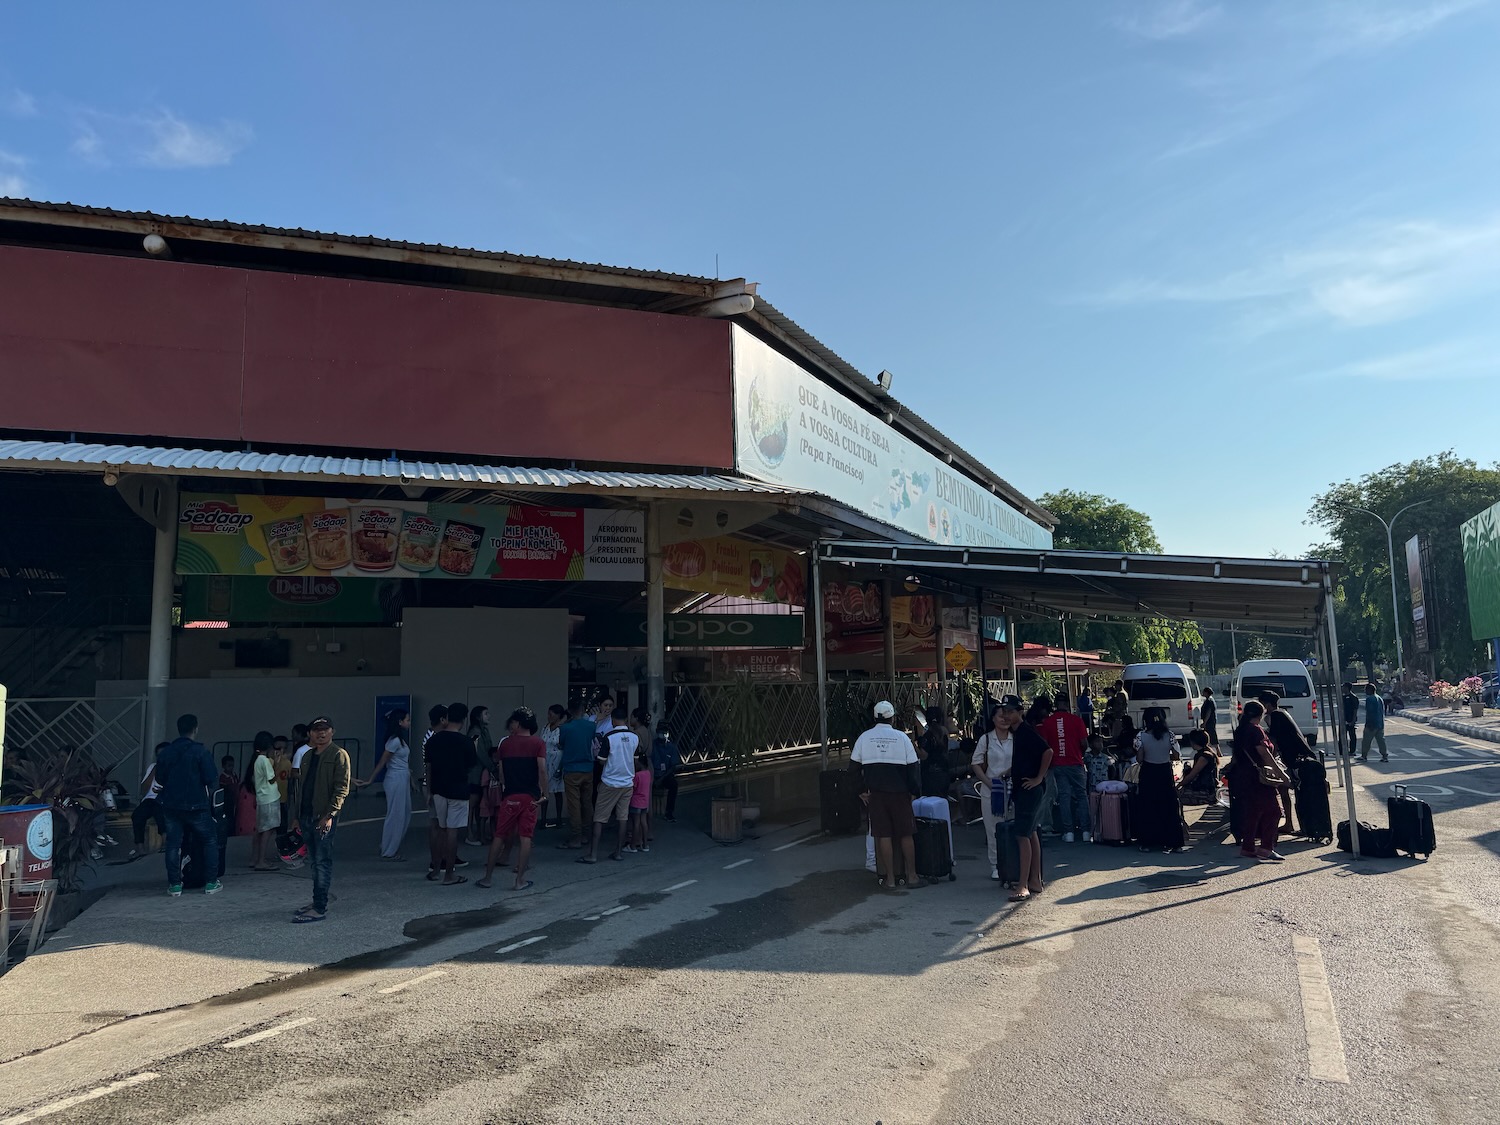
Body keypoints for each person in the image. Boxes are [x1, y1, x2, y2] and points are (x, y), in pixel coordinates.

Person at [850, 700, 921, 889]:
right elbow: (914, 768)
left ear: (874, 717)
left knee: (884, 836)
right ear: (893, 717)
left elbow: (853, 769)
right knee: (906, 834)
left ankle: (889, 879)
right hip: (900, 794)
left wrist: (861, 791)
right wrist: (914, 792)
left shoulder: (864, 738)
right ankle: (912, 876)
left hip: (876, 795)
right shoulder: (902, 738)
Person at [479, 707, 547, 890]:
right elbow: (541, 769)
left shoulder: (505, 744)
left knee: (499, 835)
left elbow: (501, 773)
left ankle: (487, 878)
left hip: (510, 795)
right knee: (525, 837)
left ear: (517, 723)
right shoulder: (538, 743)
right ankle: (519, 881)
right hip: (530, 796)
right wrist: (545, 793)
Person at [154, 714, 222, 897]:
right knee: (209, 841)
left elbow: (159, 778)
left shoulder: (166, 752)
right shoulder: (200, 752)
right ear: (195, 728)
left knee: (173, 844)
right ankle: (211, 882)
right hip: (197, 804)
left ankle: (175, 885)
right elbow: (211, 779)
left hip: (171, 805)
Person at [292, 716, 352, 922]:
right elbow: (301, 789)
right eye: (316, 729)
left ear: (332, 731)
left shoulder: (338, 754)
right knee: (314, 862)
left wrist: (329, 815)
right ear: (310, 733)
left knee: (321, 862)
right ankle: (317, 900)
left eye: (325, 729)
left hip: (322, 818)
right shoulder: (308, 756)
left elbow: (341, 789)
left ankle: (319, 907)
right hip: (306, 816)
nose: (321, 733)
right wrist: (296, 817)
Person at [998, 695, 1053, 902]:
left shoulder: (1026, 731)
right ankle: (1035, 880)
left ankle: (1023, 885)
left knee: (1022, 835)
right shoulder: (1017, 733)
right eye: (1004, 711)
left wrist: (1039, 778)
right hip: (1023, 787)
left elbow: (1047, 752)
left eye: (1010, 711)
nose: (1006, 715)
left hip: (1030, 789)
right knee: (1030, 833)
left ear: (1020, 712)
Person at [1227, 701, 1286, 862]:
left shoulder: (1241, 729)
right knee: (1274, 811)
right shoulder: (1256, 731)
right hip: (1259, 777)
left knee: (1252, 812)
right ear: (1261, 714)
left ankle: (1248, 847)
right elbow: (1265, 755)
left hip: (1242, 776)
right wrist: (1281, 774)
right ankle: (1266, 848)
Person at [425, 701, 474, 884]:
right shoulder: (466, 742)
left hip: (438, 789)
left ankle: (436, 869)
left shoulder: (433, 740)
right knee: (452, 831)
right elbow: (470, 766)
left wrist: (429, 791)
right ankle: (449, 874)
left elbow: (428, 767)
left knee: (440, 828)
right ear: (463, 719)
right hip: (458, 789)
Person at [580, 711, 637, 864]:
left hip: (610, 782)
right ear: (626, 720)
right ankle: (618, 852)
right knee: (623, 818)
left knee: (599, 818)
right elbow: (635, 759)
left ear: (612, 720)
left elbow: (601, 760)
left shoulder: (609, 737)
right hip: (627, 783)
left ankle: (592, 854)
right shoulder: (634, 737)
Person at [357, 709, 413, 859]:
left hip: (402, 777)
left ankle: (390, 845)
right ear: (400, 722)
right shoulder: (394, 741)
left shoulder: (399, 740)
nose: (409, 722)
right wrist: (371, 779)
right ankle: (389, 850)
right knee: (396, 814)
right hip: (396, 779)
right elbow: (383, 761)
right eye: (407, 720)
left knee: (404, 813)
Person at [1132, 707, 1188, 853]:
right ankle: (1174, 842)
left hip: (1148, 772)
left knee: (1147, 806)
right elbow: (1176, 756)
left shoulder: (1141, 736)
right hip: (1165, 772)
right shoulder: (1169, 735)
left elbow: (1140, 759)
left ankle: (1147, 842)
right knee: (1169, 806)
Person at [1041, 693, 1091, 843]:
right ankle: (1086, 831)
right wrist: (1079, 754)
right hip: (1075, 763)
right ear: (1068, 705)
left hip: (1058, 764)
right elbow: (1084, 743)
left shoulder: (1048, 723)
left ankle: (1068, 832)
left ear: (1056, 704)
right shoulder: (1077, 720)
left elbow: (1045, 746)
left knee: (1064, 797)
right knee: (1082, 796)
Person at [971, 706, 1013, 880]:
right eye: (1000, 716)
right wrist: (987, 782)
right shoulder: (986, 739)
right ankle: (995, 864)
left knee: (1013, 826)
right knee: (993, 829)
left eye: (1007, 716)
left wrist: (1011, 771)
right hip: (991, 789)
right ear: (993, 719)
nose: (1004, 719)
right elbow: (975, 763)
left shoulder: (1015, 738)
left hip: (1012, 787)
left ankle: (1013, 861)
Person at [557, 700, 599, 848]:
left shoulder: (565, 728)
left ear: (569, 710)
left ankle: (576, 837)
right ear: (582, 709)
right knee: (587, 803)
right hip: (588, 768)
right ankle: (586, 835)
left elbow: (561, 744)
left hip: (571, 768)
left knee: (574, 805)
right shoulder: (591, 726)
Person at [1265, 709, 1313, 836]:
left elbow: (1274, 742)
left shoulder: (1275, 716)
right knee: (1292, 792)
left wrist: (1272, 761)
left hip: (1292, 761)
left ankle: (1293, 824)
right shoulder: (1284, 715)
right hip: (1296, 759)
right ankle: (1296, 824)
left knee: (1289, 790)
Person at [125, 742, 170, 861]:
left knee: (160, 811)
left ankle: (166, 843)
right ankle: (140, 848)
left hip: (166, 799)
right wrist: (155, 771)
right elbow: (144, 789)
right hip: (150, 799)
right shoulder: (153, 767)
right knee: (137, 815)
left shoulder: (175, 767)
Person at [247, 731, 280, 871]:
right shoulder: (264, 760)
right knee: (267, 829)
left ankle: (255, 859)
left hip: (262, 798)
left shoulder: (256, 759)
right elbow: (272, 779)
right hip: (269, 798)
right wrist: (277, 764)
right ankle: (261, 860)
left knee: (260, 829)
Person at [466, 705, 495, 846]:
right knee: (472, 804)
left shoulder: (484, 730)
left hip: (483, 772)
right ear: (478, 716)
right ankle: (469, 833)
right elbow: (479, 751)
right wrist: (492, 766)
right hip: (475, 772)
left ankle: (479, 832)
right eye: (486, 713)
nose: (489, 716)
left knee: (479, 804)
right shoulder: (475, 731)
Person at [1177, 729, 1220, 807]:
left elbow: (1192, 776)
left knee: (1174, 797)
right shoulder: (1207, 752)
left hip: (1207, 793)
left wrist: (1178, 786)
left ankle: (1179, 818)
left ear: (1193, 742)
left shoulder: (1204, 757)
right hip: (1204, 789)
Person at [917, 705, 952, 799]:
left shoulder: (928, 736)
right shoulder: (943, 732)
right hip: (944, 772)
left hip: (930, 775)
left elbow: (924, 756)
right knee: (942, 801)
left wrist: (913, 745)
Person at [541, 704, 566, 829]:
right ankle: (543, 818)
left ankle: (559, 818)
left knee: (557, 792)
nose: (549, 717)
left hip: (557, 761)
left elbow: (564, 747)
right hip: (545, 761)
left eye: (551, 714)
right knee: (544, 790)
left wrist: (560, 768)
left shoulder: (562, 729)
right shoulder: (545, 727)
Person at [651, 720, 680, 823]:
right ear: (657, 731)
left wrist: (661, 779)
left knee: (674, 785)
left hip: (664, 776)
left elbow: (673, 766)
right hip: (652, 774)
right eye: (661, 731)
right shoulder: (652, 745)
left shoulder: (671, 747)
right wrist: (653, 778)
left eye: (665, 731)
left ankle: (669, 813)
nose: (662, 733)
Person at [626, 745, 652, 853]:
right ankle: (645, 845)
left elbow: (633, 787)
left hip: (636, 801)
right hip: (645, 802)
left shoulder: (637, 775)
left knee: (635, 823)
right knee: (643, 822)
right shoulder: (648, 773)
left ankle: (633, 845)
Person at [1360, 683, 1388, 762]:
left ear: (1369, 690)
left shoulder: (1369, 699)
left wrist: (1368, 724)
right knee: (1381, 741)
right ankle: (1384, 755)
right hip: (1380, 723)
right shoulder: (1379, 698)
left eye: (1366, 690)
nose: (1365, 691)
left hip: (1372, 723)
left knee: (1366, 741)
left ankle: (1364, 756)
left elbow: (1370, 712)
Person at [271, 734, 292, 830]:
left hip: (282, 799)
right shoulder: (268, 761)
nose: (282, 751)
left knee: (282, 826)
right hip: (270, 800)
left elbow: (290, 780)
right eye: (278, 748)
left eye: (284, 748)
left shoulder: (287, 763)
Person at [1342, 682, 1360, 756]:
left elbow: (1355, 709)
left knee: (1352, 735)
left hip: (1350, 719)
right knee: (1342, 735)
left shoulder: (1353, 698)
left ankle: (1352, 751)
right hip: (1343, 719)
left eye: (1343, 687)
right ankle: (1342, 750)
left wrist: (1353, 720)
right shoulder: (1342, 697)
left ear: (1347, 688)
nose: (1342, 689)